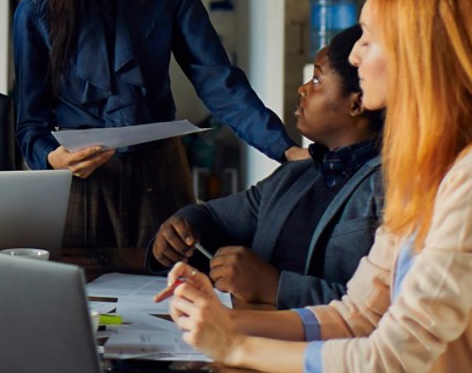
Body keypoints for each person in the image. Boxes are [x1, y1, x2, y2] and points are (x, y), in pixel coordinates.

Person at [161, 0, 472, 373]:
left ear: (416, 55)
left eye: (369, 36)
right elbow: (356, 316)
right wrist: (221, 321)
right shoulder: (425, 170)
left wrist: (236, 345)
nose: (355, 54)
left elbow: (392, 361)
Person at [13, 0, 304, 248]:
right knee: (78, 302)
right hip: (77, 185)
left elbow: (217, 79)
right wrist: (54, 159)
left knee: (173, 298)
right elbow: (28, 124)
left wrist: (283, 149)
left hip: (161, 176)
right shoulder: (37, 10)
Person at [149, 24, 384, 309]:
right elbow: (212, 217)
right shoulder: (296, 175)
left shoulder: (389, 188)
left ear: (358, 103)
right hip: (248, 336)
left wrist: (275, 287)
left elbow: (384, 310)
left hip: (319, 350)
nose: (303, 89)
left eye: (317, 80)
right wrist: (179, 232)